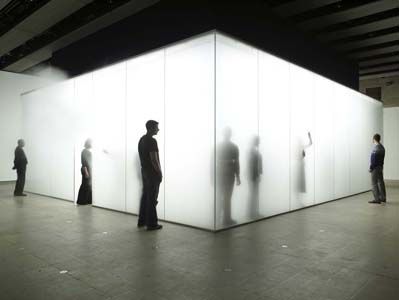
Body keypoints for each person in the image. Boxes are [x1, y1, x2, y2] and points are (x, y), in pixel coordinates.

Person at [137, 120, 163, 230]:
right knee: (152, 198)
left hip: (144, 172)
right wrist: (159, 172)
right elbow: (154, 159)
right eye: (156, 127)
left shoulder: (141, 139)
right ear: (151, 128)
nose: (158, 129)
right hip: (152, 173)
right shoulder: (152, 141)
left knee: (145, 196)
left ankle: (141, 221)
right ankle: (152, 224)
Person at [217, 127, 241, 226]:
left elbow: (215, 162)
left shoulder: (219, 146)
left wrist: (238, 176)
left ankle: (221, 218)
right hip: (228, 174)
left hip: (221, 174)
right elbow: (236, 162)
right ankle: (226, 219)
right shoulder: (234, 147)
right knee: (227, 197)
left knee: (222, 197)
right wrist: (238, 176)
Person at [368, 133, 386, 204]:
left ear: (374, 139)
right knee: (381, 182)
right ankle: (383, 197)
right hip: (380, 167)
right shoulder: (382, 148)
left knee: (374, 183)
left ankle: (377, 199)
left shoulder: (376, 148)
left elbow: (374, 160)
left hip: (375, 168)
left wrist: (371, 168)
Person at [77, 139, 93, 205]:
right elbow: (84, 163)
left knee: (89, 185)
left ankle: (88, 201)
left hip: (89, 170)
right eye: (91, 143)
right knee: (85, 185)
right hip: (86, 169)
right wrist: (86, 172)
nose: (92, 144)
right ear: (88, 143)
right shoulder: (84, 151)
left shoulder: (88, 151)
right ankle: (81, 201)